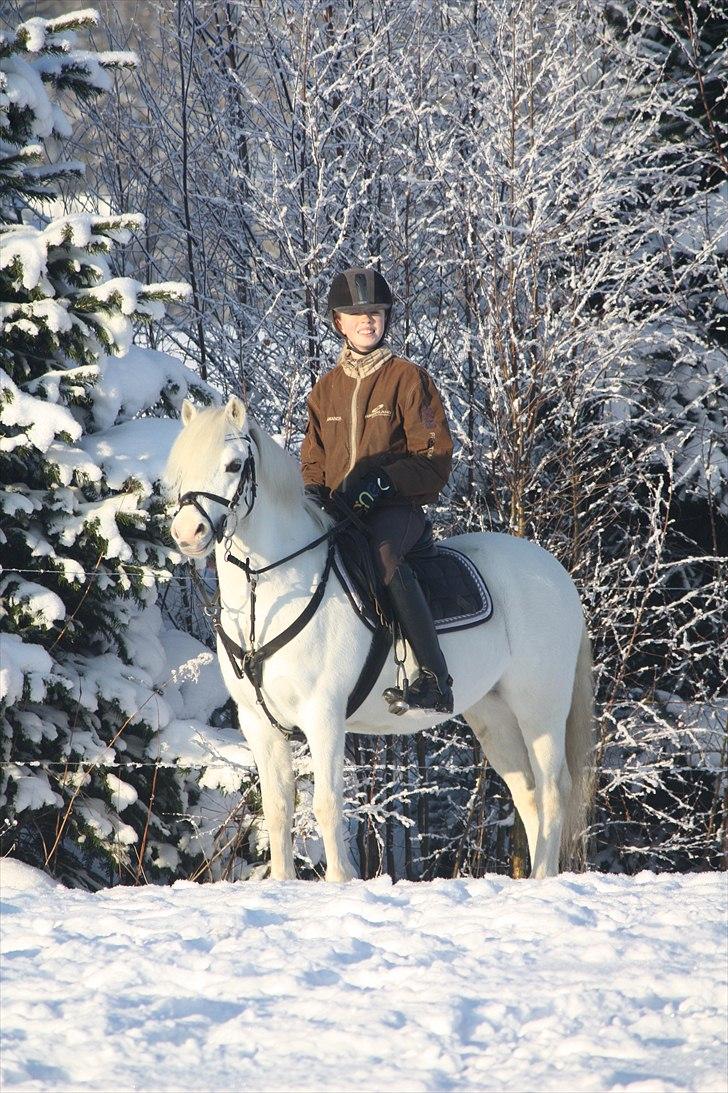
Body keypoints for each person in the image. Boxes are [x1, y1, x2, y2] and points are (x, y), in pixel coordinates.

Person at [301, 266, 454, 714]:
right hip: (338, 511)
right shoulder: (324, 390)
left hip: (394, 511)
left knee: (384, 557)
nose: (368, 321)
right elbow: (313, 461)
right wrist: (312, 497)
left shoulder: (409, 379)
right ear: (339, 323)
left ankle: (433, 678)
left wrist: (385, 482)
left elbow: (435, 457)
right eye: (358, 313)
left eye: (377, 313)